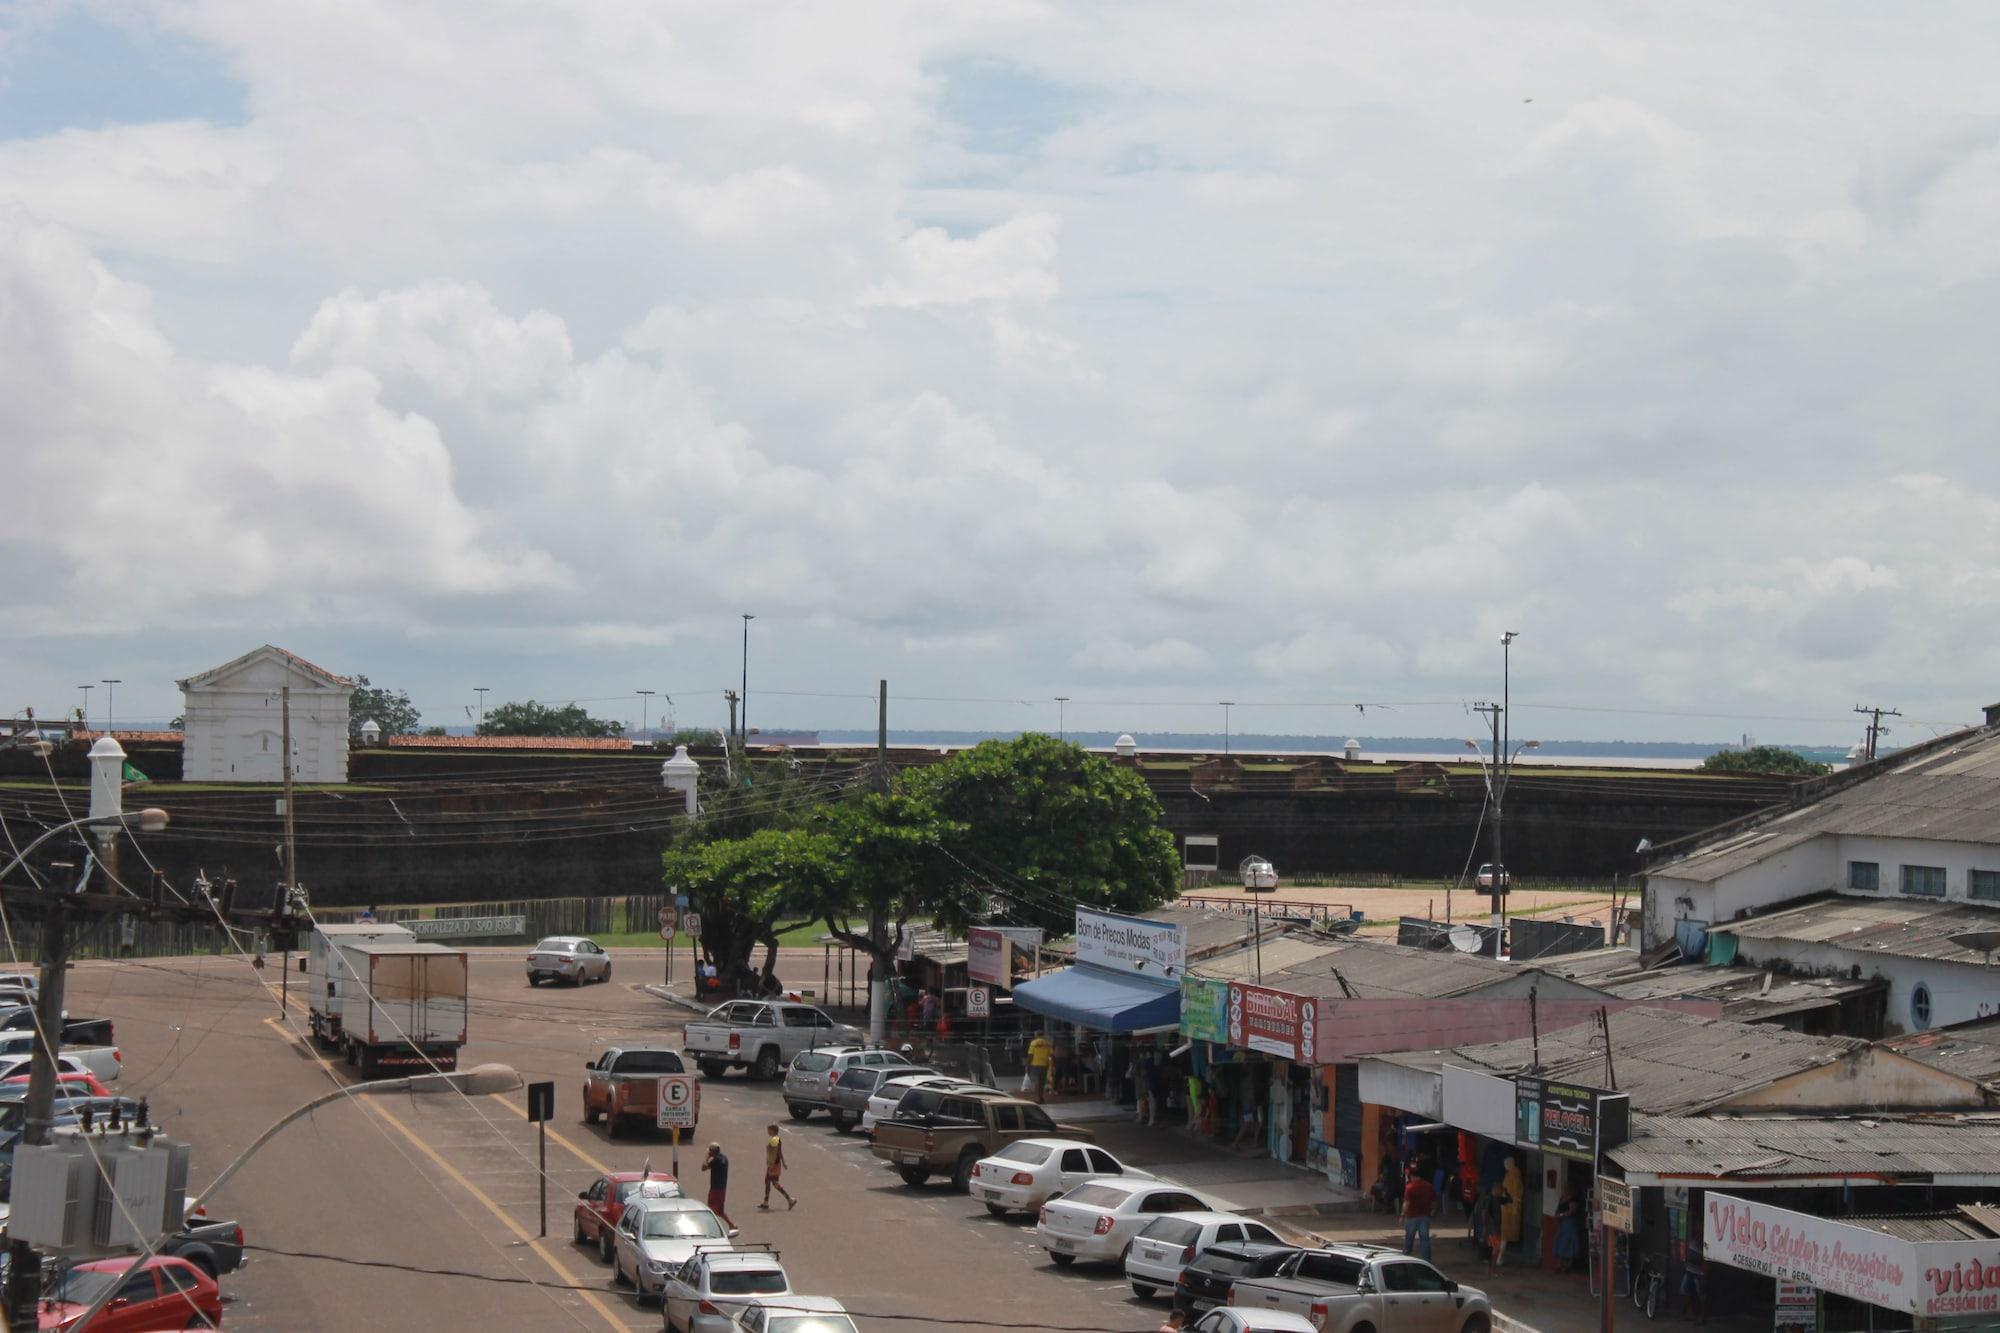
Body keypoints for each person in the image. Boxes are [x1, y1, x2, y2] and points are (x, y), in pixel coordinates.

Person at [701, 1142, 739, 1236]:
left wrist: (706, 1156)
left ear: (712, 1152)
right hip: (722, 1188)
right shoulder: (724, 1158)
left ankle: (711, 1229)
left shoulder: (716, 1160)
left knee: (711, 1209)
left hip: (716, 1189)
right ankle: (732, 1225)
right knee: (720, 1210)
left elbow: (703, 1168)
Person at [1401, 1160, 1436, 1261]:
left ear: (1412, 1176)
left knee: (1409, 1238)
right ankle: (1427, 1260)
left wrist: (1402, 1215)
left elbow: (1406, 1203)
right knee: (1425, 1239)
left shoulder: (1410, 1187)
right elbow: (1434, 1201)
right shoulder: (1429, 1186)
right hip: (1425, 1216)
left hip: (1411, 1216)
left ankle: (1405, 1258)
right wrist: (1433, 1211)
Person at [760, 1123, 796, 1211]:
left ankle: (790, 1199)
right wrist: (783, 1163)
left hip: (773, 1165)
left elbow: (776, 1152)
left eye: (769, 1130)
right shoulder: (777, 1139)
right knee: (768, 1182)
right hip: (774, 1164)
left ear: (773, 1131)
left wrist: (772, 1165)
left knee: (774, 1184)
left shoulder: (774, 1140)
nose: (768, 1132)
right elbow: (780, 1152)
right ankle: (766, 1202)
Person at [1499, 1157, 1525, 1265]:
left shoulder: (1514, 1175)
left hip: (1510, 1209)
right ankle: (1499, 1257)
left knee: (1505, 1234)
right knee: (1503, 1234)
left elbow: (1516, 1194)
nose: (1505, 1165)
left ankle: (1499, 1258)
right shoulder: (1509, 1174)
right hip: (1506, 1208)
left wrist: (1515, 1207)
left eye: (1506, 1163)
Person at [1475, 1187, 1504, 1273]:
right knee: (1494, 1249)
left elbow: (1509, 1200)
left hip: (1494, 1228)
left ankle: (1492, 1269)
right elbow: (1485, 1214)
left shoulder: (1496, 1199)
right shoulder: (1490, 1200)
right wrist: (1485, 1227)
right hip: (1492, 1229)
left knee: (1494, 1249)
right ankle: (1492, 1269)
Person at [1554, 1188, 1584, 1272]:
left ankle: (1568, 1266)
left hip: (1570, 1223)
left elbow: (1572, 1211)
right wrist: (1557, 1215)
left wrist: (1561, 1215)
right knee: (1560, 1241)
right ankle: (1560, 1264)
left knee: (1569, 1243)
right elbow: (1558, 1208)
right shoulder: (1562, 1198)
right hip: (1562, 1223)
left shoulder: (1573, 1200)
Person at [1681, 1248, 1709, 1323]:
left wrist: (1703, 1273)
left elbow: (1706, 1259)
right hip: (1688, 1271)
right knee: (1683, 1290)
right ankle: (1690, 1312)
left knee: (1701, 1294)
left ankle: (1702, 1316)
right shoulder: (1692, 1241)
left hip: (1698, 1273)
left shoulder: (1704, 1244)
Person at [1026, 1031, 1054, 1103]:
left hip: (1035, 1065)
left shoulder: (1034, 1043)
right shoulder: (1048, 1043)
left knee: (1037, 1083)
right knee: (1042, 1083)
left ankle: (1038, 1098)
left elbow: (1030, 1055)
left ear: (1037, 1035)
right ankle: (1041, 1096)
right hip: (1044, 1065)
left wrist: (1027, 1065)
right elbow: (1051, 1055)